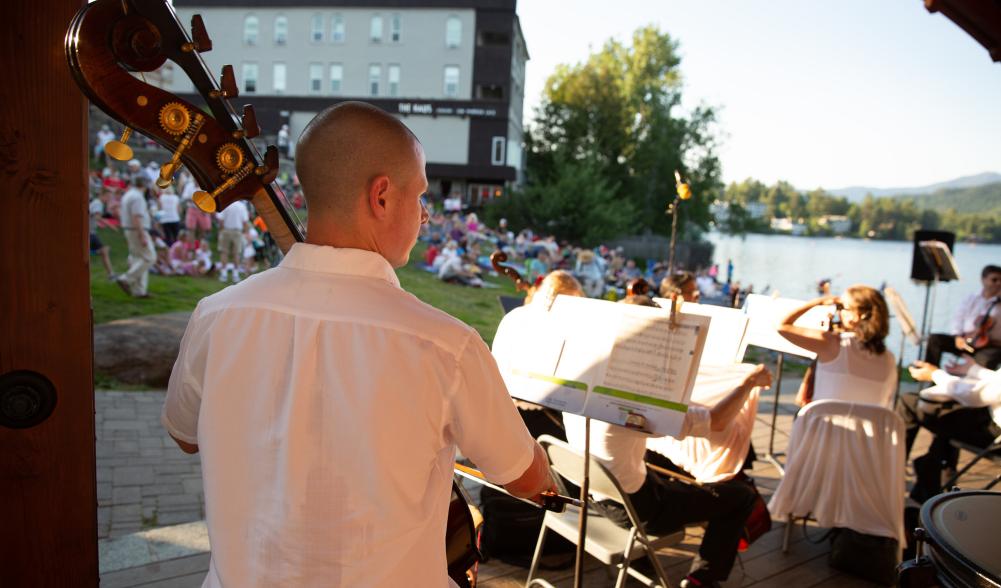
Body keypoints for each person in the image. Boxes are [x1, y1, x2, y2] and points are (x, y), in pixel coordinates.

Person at [161, 101, 555, 587]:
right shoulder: (446, 346)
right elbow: (525, 478)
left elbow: (184, 434)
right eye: (421, 198)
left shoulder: (216, 315)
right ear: (382, 197)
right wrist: (546, 462)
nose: (425, 216)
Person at [563, 295, 771, 587]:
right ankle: (702, 579)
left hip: (592, 495)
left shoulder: (579, 375)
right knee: (740, 495)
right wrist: (748, 382)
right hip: (639, 511)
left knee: (660, 464)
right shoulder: (634, 400)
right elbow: (718, 422)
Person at [777, 285, 896, 408]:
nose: (838, 312)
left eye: (841, 307)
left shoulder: (834, 344)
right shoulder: (890, 359)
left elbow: (782, 326)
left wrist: (818, 302)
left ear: (857, 316)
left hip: (824, 425)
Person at [901, 359, 1001, 502]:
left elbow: (974, 395)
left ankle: (896, 471)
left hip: (994, 435)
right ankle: (930, 483)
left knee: (909, 402)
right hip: (991, 420)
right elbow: (996, 384)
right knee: (948, 415)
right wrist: (973, 369)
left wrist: (935, 374)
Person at [924, 265, 1001, 370]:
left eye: (1000, 280)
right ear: (983, 280)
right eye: (994, 280)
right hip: (966, 339)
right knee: (935, 339)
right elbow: (958, 318)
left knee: (984, 359)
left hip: (989, 344)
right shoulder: (971, 298)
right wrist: (957, 336)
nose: (998, 283)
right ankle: (931, 374)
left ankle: (971, 383)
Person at [115, 175, 155, 298]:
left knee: (138, 258)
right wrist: (142, 235)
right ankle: (126, 279)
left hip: (131, 230)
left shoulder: (129, 194)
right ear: (145, 185)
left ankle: (139, 291)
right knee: (150, 257)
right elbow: (136, 217)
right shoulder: (137, 197)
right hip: (136, 230)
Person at [216, 199, 250, 283]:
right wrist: (245, 233)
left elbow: (221, 220)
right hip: (237, 232)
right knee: (236, 254)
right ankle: (235, 275)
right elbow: (245, 222)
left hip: (226, 230)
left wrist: (220, 230)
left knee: (224, 252)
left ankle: (224, 275)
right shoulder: (242, 206)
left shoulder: (226, 205)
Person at [89, 195, 116, 280]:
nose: (109, 200)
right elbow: (97, 217)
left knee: (104, 251)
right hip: (89, 233)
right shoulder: (98, 203)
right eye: (109, 197)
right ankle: (111, 275)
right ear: (103, 195)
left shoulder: (96, 203)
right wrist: (109, 225)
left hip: (90, 232)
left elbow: (93, 216)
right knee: (104, 250)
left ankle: (111, 274)